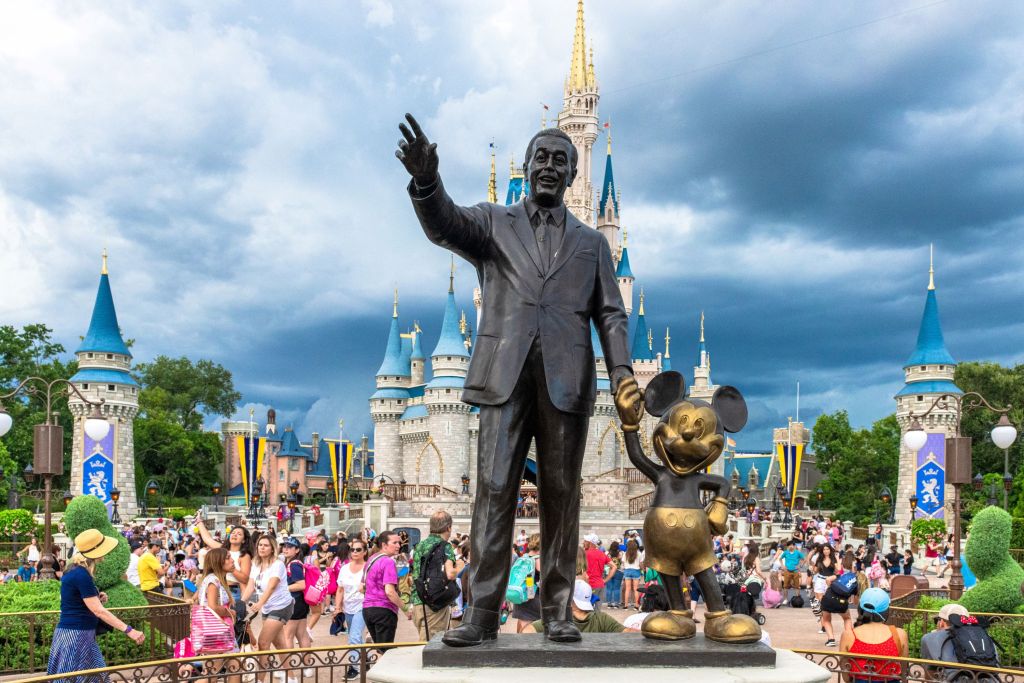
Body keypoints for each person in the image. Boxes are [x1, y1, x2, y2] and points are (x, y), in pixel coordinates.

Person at [398, 114, 638, 646]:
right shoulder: (493, 222)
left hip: (566, 381)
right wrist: (425, 183)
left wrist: (621, 370)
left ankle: (557, 610)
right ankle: (482, 614)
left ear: (574, 174)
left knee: (562, 495)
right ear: (527, 166)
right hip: (503, 378)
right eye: (541, 157)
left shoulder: (593, 243)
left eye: (560, 160)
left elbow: (612, 314)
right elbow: (445, 225)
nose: (549, 167)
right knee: (494, 491)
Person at [48, 530, 146, 677]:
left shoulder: (73, 570)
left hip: (78, 633)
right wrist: (129, 630)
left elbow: (70, 599)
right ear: (95, 552)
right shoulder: (81, 574)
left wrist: (95, 596)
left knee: (97, 677)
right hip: (76, 635)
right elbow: (99, 611)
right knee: (76, 679)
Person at [242, 534, 293, 679]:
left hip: (281, 606)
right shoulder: (256, 564)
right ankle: (291, 677)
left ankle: (260, 679)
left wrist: (259, 603)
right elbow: (250, 586)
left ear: (272, 549)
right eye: (260, 545)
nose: (262, 548)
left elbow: (271, 586)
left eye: (266, 545)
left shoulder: (278, 564)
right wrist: (240, 603)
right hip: (268, 607)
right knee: (279, 644)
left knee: (263, 643)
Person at [840, 587, 908, 683]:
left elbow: (846, 676)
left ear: (860, 609)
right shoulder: (900, 634)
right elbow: (904, 671)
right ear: (886, 611)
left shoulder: (848, 635)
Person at [411, 511, 461, 640]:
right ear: (448, 527)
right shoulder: (445, 546)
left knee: (423, 641)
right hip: (434, 605)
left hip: (418, 601)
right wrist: (460, 566)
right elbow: (450, 574)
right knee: (431, 646)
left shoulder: (420, 545)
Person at [531, 580, 637, 634]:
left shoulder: (557, 619)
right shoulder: (602, 619)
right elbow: (628, 633)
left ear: (570, 599)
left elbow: (527, 631)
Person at [362, 530, 408, 649]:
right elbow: (390, 591)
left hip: (368, 609)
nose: (398, 545)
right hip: (384, 610)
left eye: (399, 543)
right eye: (395, 543)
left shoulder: (371, 559)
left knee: (380, 650)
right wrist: (405, 609)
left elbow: (361, 587)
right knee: (386, 652)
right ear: (384, 545)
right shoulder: (388, 561)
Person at [334, 537, 367, 679]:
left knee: (353, 637)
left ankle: (354, 668)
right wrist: (337, 607)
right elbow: (340, 589)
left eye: (358, 549)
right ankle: (366, 661)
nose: (354, 552)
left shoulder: (368, 567)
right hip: (348, 606)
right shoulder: (344, 568)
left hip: (363, 605)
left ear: (365, 552)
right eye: (352, 549)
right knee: (356, 636)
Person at [512, 533, 542, 632]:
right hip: (533, 599)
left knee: (521, 626)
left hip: (520, 597)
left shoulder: (523, 558)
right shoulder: (538, 560)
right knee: (529, 631)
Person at [620, 539, 644, 610]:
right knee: (636, 589)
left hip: (627, 571)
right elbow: (641, 564)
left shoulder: (625, 553)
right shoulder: (638, 553)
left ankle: (626, 605)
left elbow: (623, 563)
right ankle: (636, 605)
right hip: (636, 571)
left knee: (627, 589)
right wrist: (643, 570)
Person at [604, 544, 623, 609]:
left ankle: (609, 603)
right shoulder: (620, 553)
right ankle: (616, 604)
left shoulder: (607, 553)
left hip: (609, 571)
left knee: (609, 588)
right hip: (618, 571)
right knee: (617, 588)